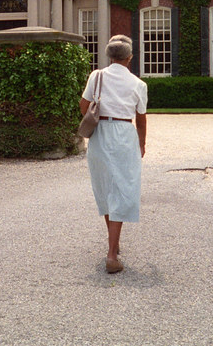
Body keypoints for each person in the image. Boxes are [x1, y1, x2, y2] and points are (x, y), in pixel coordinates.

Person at [79, 34, 148, 274]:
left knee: (105, 187)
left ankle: (114, 244)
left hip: (100, 134)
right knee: (121, 189)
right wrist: (142, 142)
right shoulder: (138, 84)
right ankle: (111, 254)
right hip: (124, 134)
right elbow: (141, 117)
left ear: (109, 56)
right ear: (129, 58)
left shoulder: (96, 76)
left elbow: (83, 105)